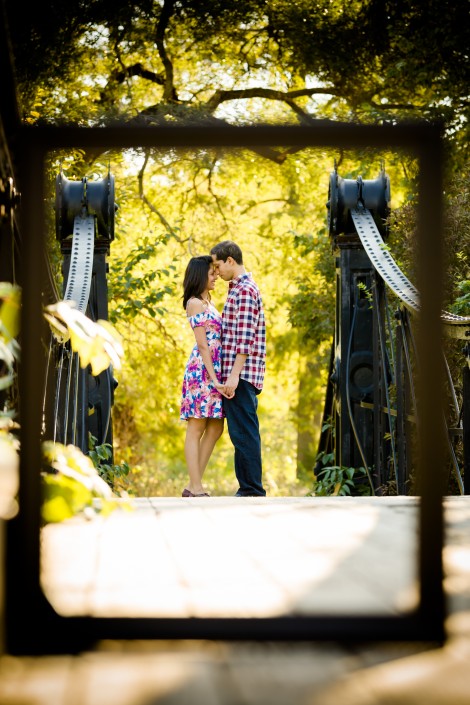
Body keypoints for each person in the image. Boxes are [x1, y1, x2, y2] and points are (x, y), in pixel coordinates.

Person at [210, 240, 267, 497]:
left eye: (218, 265)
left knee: (244, 431)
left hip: (241, 374)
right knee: (241, 431)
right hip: (239, 373)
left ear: (230, 260)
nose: (216, 271)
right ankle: (247, 487)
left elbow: (244, 340)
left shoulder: (244, 290)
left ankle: (252, 489)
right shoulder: (238, 289)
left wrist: (233, 376)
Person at [179, 255, 229, 497]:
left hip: (214, 369)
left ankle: (192, 484)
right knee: (197, 427)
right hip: (202, 371)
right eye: (211, 272)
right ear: (200, 275)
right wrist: (214, 378)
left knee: (216, 427)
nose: (216, 275)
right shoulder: (195, 303)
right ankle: (196, 486)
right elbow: (202, 345)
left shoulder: (209, 303)